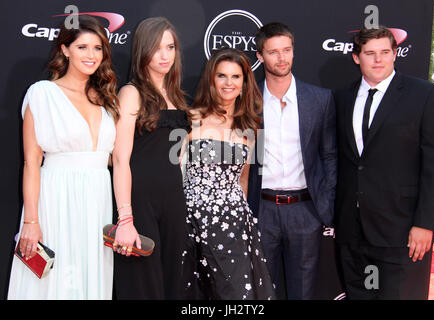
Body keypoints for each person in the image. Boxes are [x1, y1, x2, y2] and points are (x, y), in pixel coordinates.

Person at [7, 15, 119, 299]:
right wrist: (30, 222)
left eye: (97, 48)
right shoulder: (43, 94)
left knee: (89, 278)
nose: (91, 55)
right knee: (53, 282)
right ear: (65, 50)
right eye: (82, 47)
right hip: (56, 197)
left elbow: (112, 159)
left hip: (97, 200)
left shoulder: (107, 99)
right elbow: (31, 162)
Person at [334, 26, 434, 299]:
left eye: (385, 52)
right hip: (352, 232)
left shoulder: (425, 95)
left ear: (395, 54)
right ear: (356, 58)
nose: (378, 60)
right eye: (370, 53)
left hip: (403, 231)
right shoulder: (341, 98)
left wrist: (426, 224)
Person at [247, 22, 337, 300]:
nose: (281, 58)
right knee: (262, 292)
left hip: (305, 211)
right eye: (273, 52)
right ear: (260, 57)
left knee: (304, 292)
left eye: (286, 50)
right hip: (261, 209)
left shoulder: (319, 99)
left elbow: (330, 155)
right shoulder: (247, 101)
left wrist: (326, 205)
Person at [182, 48, 275, 300]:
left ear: (245, 83)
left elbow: (243, 180)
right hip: (191, 222)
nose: (228, 83)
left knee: (234, 294)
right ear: (211, 79)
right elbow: (172, 173)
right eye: (221, 76)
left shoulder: (252, 127)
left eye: (236, 77)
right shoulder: (189, 119)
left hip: (232, 225)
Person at [112, 17, 190, 299]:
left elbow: (178, 159)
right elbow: (120, 159)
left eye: (170, 47)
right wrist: (125, 218)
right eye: (156, 48)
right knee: (143, 287)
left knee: (173, 287)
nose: (164, 55)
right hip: (140, 203)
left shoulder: (179, 98)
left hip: (173, 204)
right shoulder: (131, 93)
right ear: (143, 50)